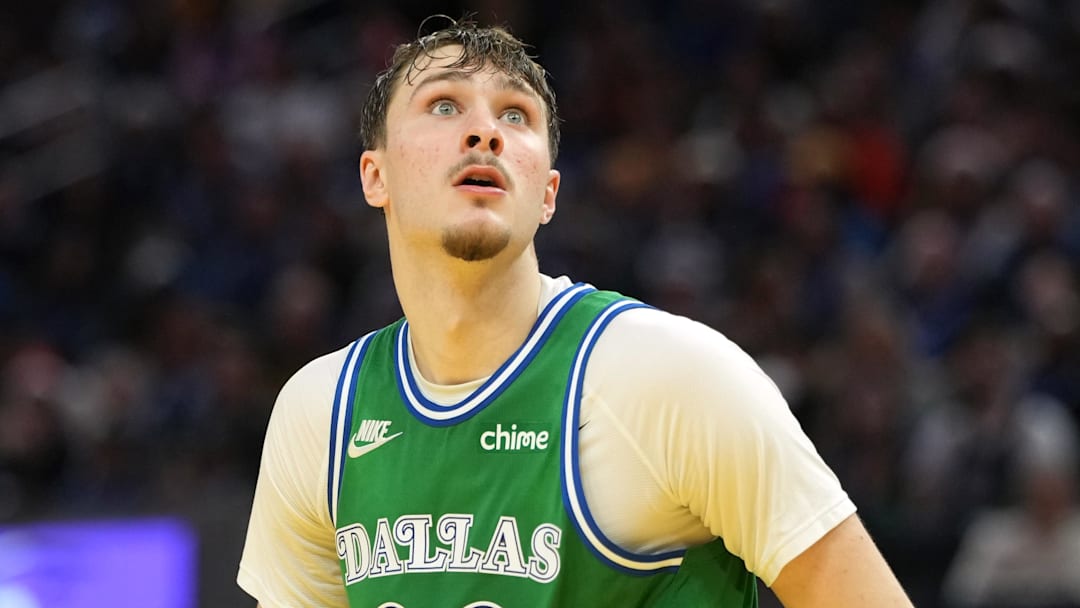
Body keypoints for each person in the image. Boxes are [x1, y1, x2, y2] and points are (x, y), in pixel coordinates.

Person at [237, 16, 913, 607]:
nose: (484, 133)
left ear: (549, 192)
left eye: (515, 115)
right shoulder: (320, 411)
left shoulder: (668, 377)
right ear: (374, 175)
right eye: (444, 106)